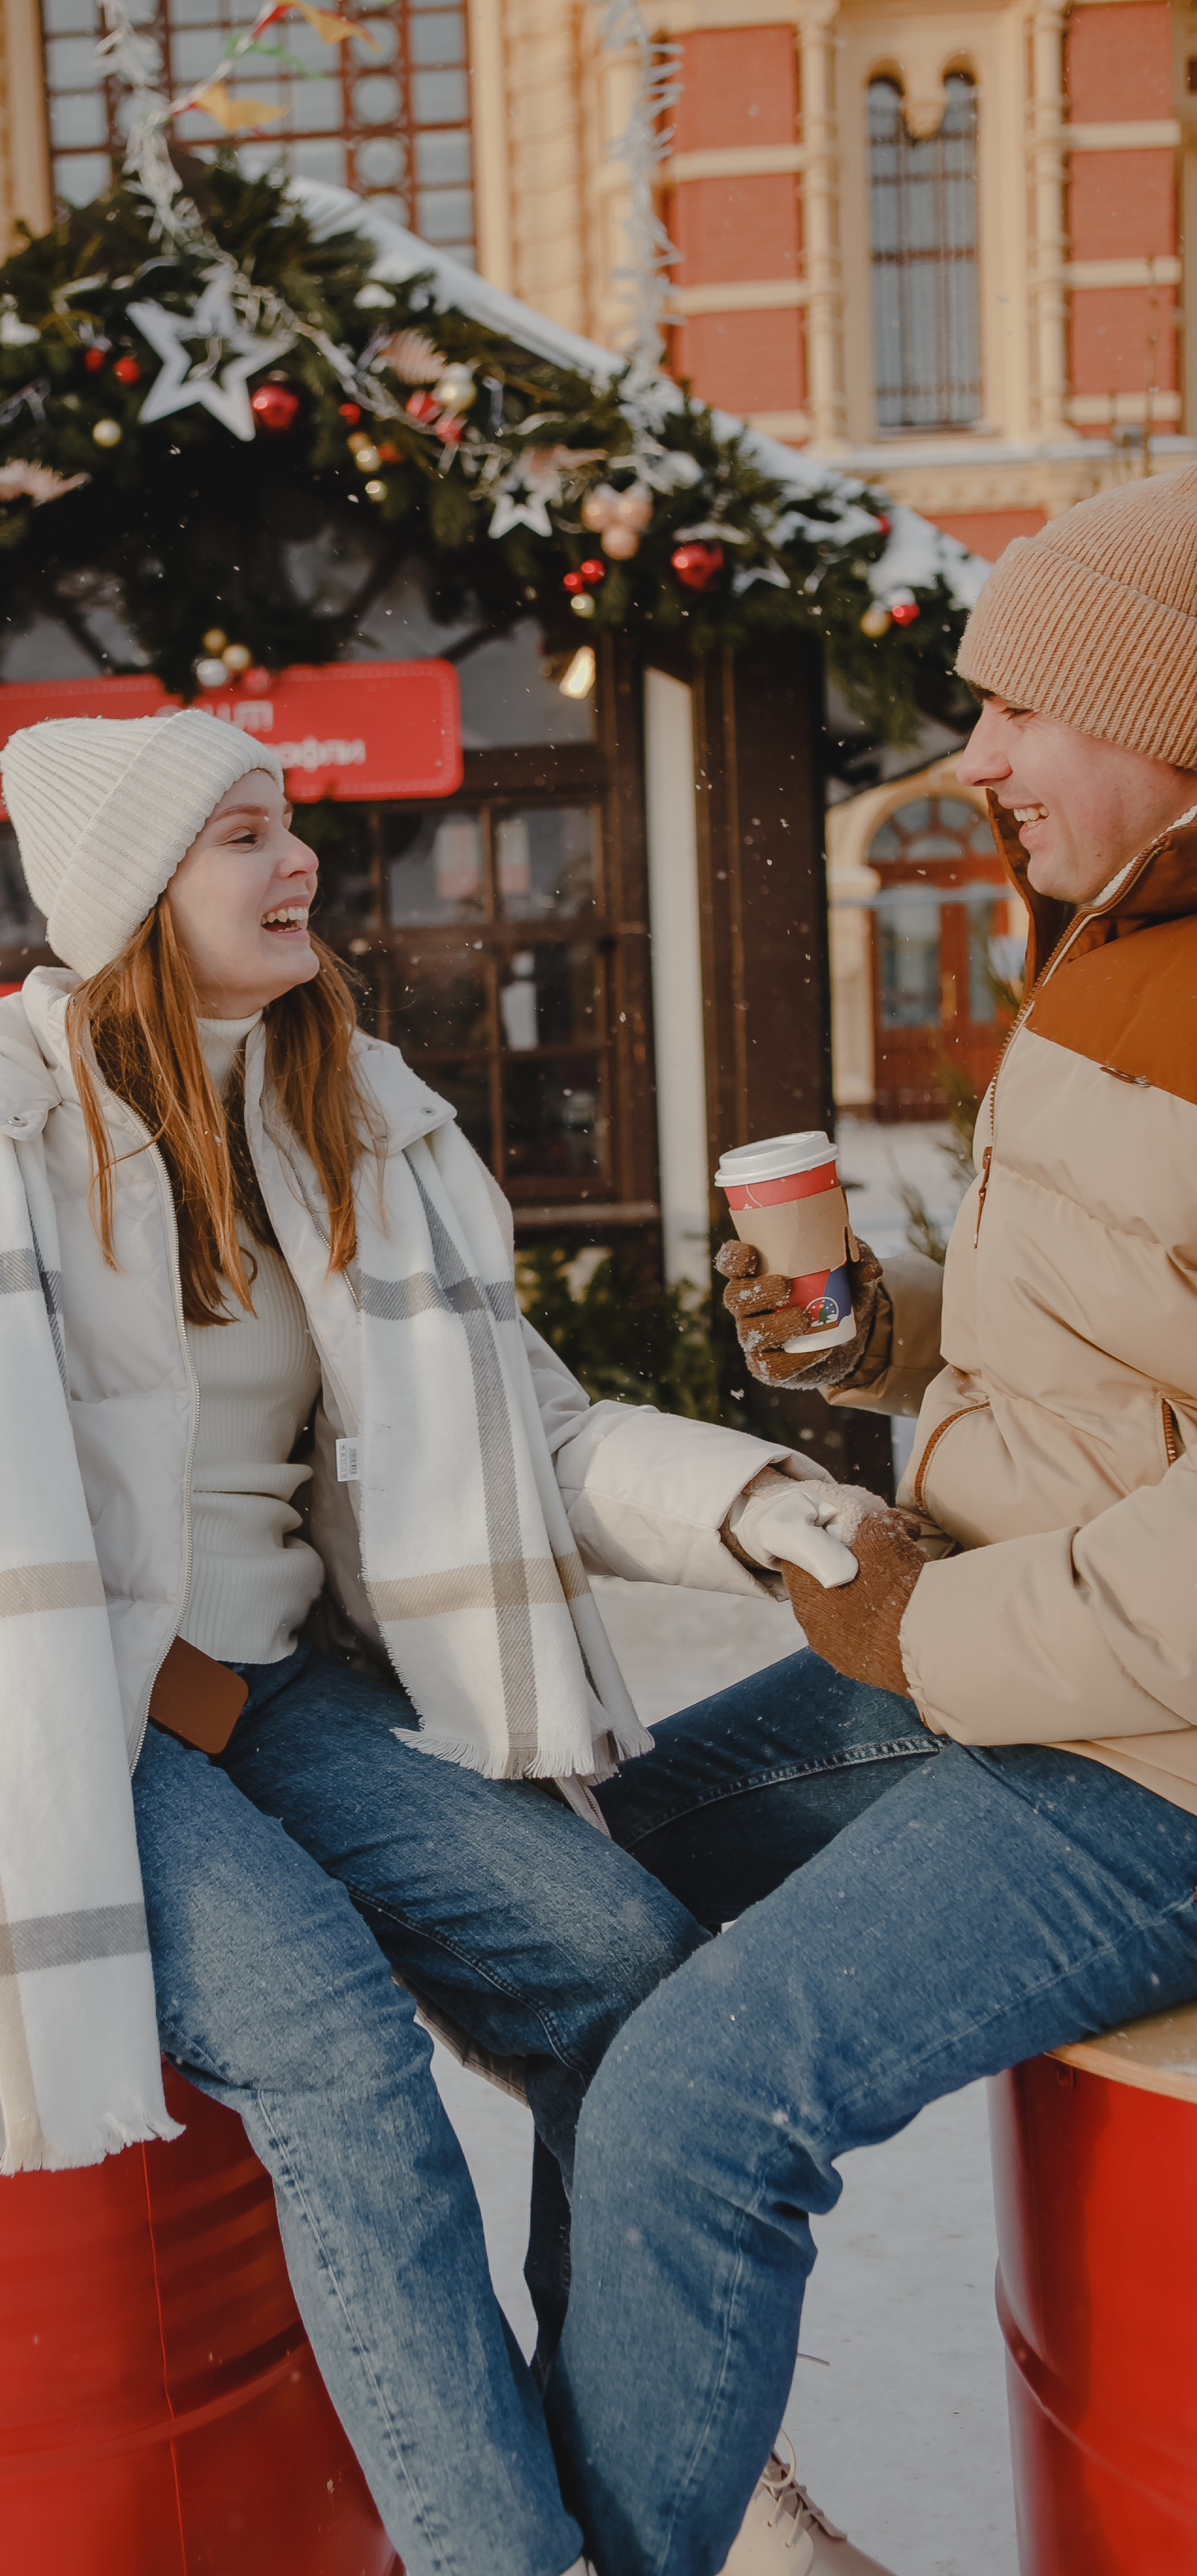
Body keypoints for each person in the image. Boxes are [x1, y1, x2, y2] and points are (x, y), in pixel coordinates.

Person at [0, 708, 883, 2576]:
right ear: (138, 891)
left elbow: (520, 1431)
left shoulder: (356, 1112)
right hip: (56, 1702)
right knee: (328, 2037)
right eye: (239, 834)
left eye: (285, 821)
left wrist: (753, 1501)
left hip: (282, 1686)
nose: (293, 861)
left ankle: (647, 2473)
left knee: (626, 1969)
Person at [545, 466, 1197, 2576]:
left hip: (1152, 1761)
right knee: (563, 1889)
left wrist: (925, 1637)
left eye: (1020, 708)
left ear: (1162, 708)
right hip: (1041, 1651)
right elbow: (1118, 1369)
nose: (976, 756)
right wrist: (876, 1340)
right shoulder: (1136, 933)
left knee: (698, 2108)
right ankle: (656, 2452)